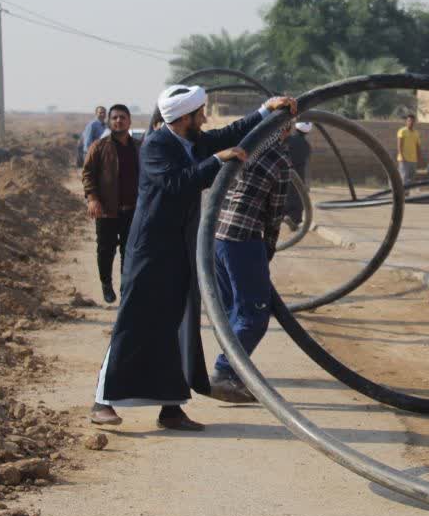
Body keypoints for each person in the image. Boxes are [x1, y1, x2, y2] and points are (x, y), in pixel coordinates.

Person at [90, 85, 296, 431]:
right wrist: (218, 161)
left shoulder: (188, 140)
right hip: (150, 250)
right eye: (200, 113)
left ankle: (171, 409)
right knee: (135, 322)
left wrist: (266, 112)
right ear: (184, 117)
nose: (205, 118)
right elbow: (177, 183)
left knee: (174, 325)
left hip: (178, 247)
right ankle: (102, 401)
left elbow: (226, 135)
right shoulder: (157, 145)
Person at [207, 123, 298, 404]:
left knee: (232, 309)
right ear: (283, 131)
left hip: (216, 238)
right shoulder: (280, 159)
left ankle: (234, 371)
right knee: (254, 314)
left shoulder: (246, 150)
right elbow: (275, 211)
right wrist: (268, 248)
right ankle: (226, 372)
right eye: (288, 127)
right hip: (242, 239)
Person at [81, 104, 140, 304]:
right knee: (106, 250)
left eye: (122, 117)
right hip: (106, 210)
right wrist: (92, 199)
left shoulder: (139, 147)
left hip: (133, 210)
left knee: (129, 251)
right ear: (109, 121)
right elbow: (87, 174)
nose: (118, 121)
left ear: (129, 121)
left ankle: (126, 289)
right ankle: (106, 284)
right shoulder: (99, 146)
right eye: (114, 118)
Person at [284, 120, 313, 230]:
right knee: (297, 198)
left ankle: (283, 216)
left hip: (284, 172)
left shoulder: (287, 140)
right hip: (298, 176)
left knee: (283, 195)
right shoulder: (306, 146)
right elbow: (306, 162)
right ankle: (294, 221)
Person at [395, 114, 420, 185]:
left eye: (412, 121)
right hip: (404, 159)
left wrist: (420, 158)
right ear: (406, 121)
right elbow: (399, 145)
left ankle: (407, 194)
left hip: (413, 159)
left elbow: (417, 146)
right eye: (409, 121)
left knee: (411, 178)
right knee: (404, 177)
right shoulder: (402, 131)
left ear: (415, 122)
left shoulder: (416, 133)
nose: (411, 122)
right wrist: (401, 156)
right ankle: (402, 194)